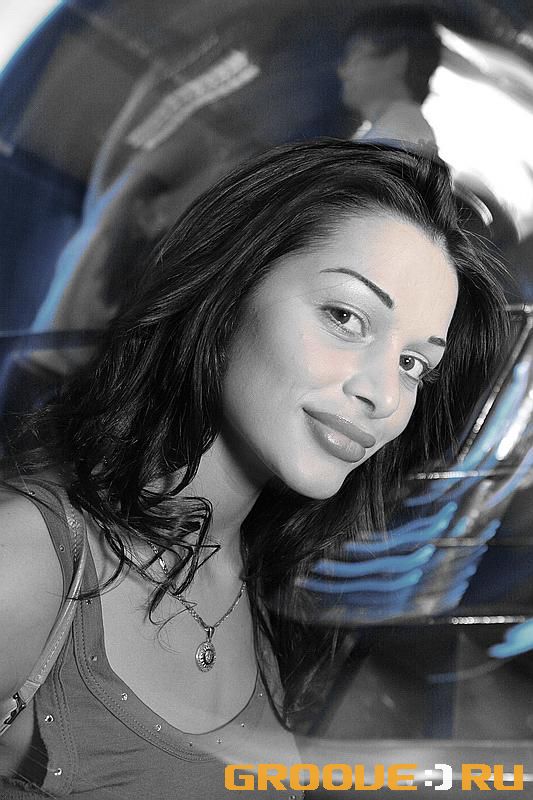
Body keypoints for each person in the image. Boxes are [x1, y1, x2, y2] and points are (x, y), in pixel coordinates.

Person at [0, 139, 509, 798]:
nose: (384, 396)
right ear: (231, 288)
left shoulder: (266, 586)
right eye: (345, 317)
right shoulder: (28, 562)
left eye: (414, 363)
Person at [337, 8, 441, 147]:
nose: (343, 72)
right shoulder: (402, 132)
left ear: (397, 61)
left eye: (357, 56)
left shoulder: (391, 138)